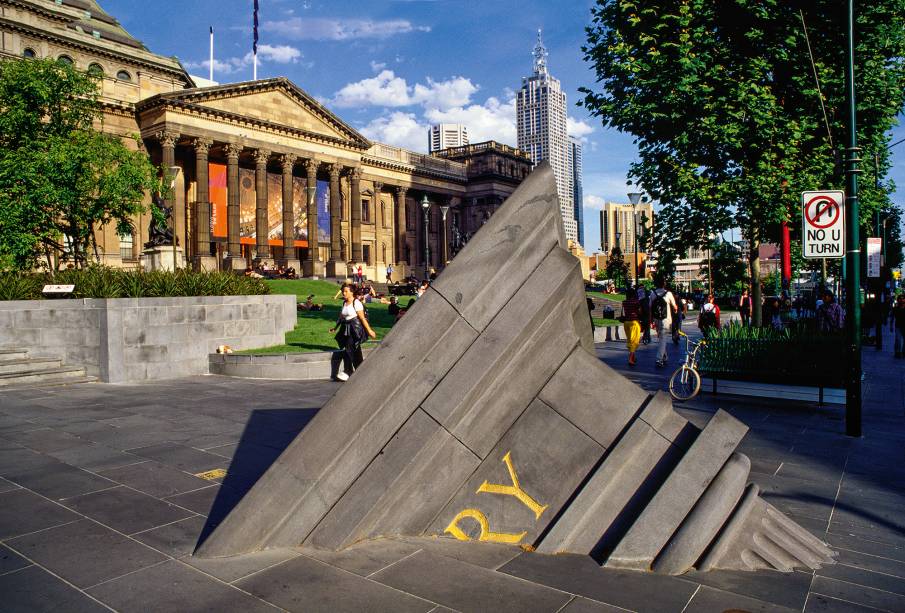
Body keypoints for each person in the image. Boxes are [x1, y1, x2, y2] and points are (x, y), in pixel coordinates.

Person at [329, 283, 377, 381]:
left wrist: (370, 331)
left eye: (346, 291)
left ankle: (348, 371)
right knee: (356, 350)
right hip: (346, 329)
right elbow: (341, 317)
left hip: (355, 329)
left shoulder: (356, 303)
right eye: (343, 291)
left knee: (348, 348)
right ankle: (361, 371)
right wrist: (335, 328)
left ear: (352, 292)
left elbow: (362, 319)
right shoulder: (344, 303)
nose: (344, 293)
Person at [650, 279, 678, 367]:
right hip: (666, 319)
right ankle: (659, 359)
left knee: (661, 337)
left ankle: (664, 356)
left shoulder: (652, 293)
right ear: (664, 284)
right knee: (663, 338)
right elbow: (674, 306)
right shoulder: (668, 294)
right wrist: (676, 310)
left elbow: (650, 307)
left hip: (656, 318)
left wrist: (651, 320)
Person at [621, 289, 642, 366]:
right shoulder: (636, 302)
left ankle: (633, 357)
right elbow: (640, 312)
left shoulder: (624, 302)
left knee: (630, 340)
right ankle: (630, 359)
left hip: (626, 323)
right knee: (634, 341)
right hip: (634, 323)